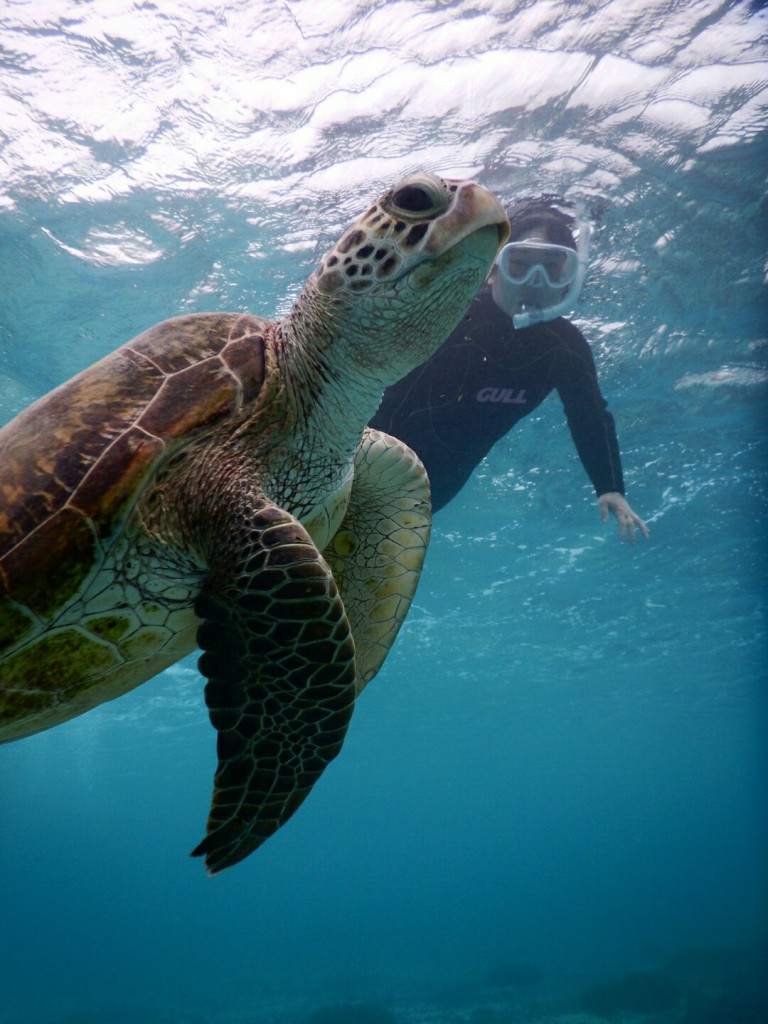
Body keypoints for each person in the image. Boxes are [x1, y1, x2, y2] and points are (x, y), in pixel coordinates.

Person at [370, 194, 649, 542]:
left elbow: (589, 415)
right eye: (520, 263)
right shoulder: (450, 314)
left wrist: (610, 487)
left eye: (552, 267)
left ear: (570, 279)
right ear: (493, 268)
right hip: (360, 464)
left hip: (426, 497)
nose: (534, 279)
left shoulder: (565, 348)